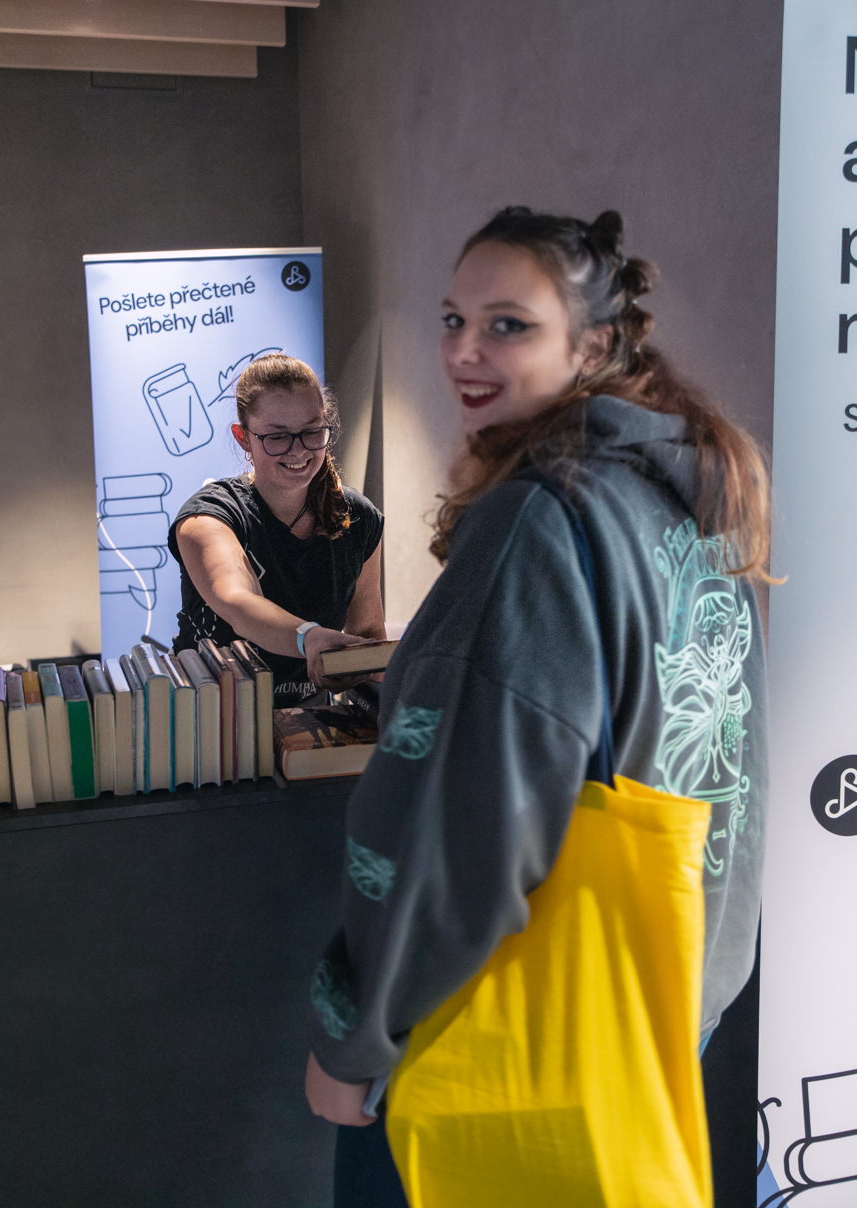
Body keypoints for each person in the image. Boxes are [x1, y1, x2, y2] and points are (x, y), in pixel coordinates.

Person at [304, 208, 769, 1205]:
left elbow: (448, 818)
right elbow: (732, 773)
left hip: (493, 1039)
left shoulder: (536, 522)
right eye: (452, 319)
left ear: (591, 346)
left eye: (507, 325)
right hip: (652, 1015)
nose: (462, 351)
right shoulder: (688, 503)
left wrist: (353, 1035)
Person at [168, 353, 385, 699]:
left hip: (310, 717)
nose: (297, 450)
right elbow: (238, 601)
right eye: (277, 437)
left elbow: (368, 630)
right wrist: (309, 638)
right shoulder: (208, 516)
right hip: (212, 716)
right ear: (243, 437)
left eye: (311, 432)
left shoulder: (358, 517)